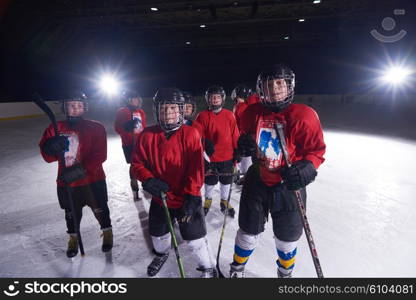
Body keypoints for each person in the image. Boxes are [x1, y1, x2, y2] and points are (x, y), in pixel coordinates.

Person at [229, 64, 326, 278]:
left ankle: (285, 273)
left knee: (287, 238)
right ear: (261, 88)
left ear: (289, 85)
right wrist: (243, 144)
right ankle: (237, 268)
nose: (274, 89)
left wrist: (308, 168)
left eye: (280, 83)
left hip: (288, 185)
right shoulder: (251, 112)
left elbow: (316, 151)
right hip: (258, 179)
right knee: (247, 231)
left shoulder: (304, 115)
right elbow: (247, 138)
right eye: (269, 84)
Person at [131, 88, 217, 278]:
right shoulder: (146, 135)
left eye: (173, 108)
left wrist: (193, 195)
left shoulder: (190, 134)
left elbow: (196, 168)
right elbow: (137, 164)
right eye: (163, 109)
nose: (168, 113)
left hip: (186, 197)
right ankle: (161, 254)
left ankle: (208, 266)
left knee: (195, 239)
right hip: (160, 198)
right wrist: (148, 179)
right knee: (158, 235)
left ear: (181, 110)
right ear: (157, 111)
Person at [39, 91, 113, 258]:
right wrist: (50, 147)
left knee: (101, 209)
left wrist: (78, 172)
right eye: (72, 105)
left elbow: (100, 155)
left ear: (85, 108)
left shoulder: (96, 127)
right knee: (71, 214)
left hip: (93, 180)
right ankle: (73, 237)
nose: (75, 108)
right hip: (67, 183)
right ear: (65, 107)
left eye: (79, 105)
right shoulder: (54, 128)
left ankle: (107, 232)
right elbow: (48, 157)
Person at [193, 85, 240, 218]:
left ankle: (224, 201)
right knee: (210, 180)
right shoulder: (202, 116)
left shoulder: (229, 115)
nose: (215, 99)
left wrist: (237, 150)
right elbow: (197, 137)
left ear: (222, 99)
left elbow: (234, 134)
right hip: (211, 158)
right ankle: (208, 199)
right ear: (208, 99)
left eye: (218, 97)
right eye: (212, 97)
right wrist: (203, 147)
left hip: (227, 156)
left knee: (226, 180)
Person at [114, 90, 147, 200]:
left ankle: (146, 183)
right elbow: (117, 128)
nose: (137, 101)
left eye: (138, 99)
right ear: (128, 100)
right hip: (129, 144)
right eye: (135, 99)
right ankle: (135, 188)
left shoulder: (141, 112)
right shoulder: (122, 112)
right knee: (134, 165)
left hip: (140, 143)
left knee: (145, 163)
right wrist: (125, 127)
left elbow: (143, 126)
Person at [231, 85, 252, 185]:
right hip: (246, 135)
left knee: (244, 156)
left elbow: (242, 124)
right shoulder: (246, 106)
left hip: (242, 136)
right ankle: (243, 174)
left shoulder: (241, 107)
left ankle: (245, 176)